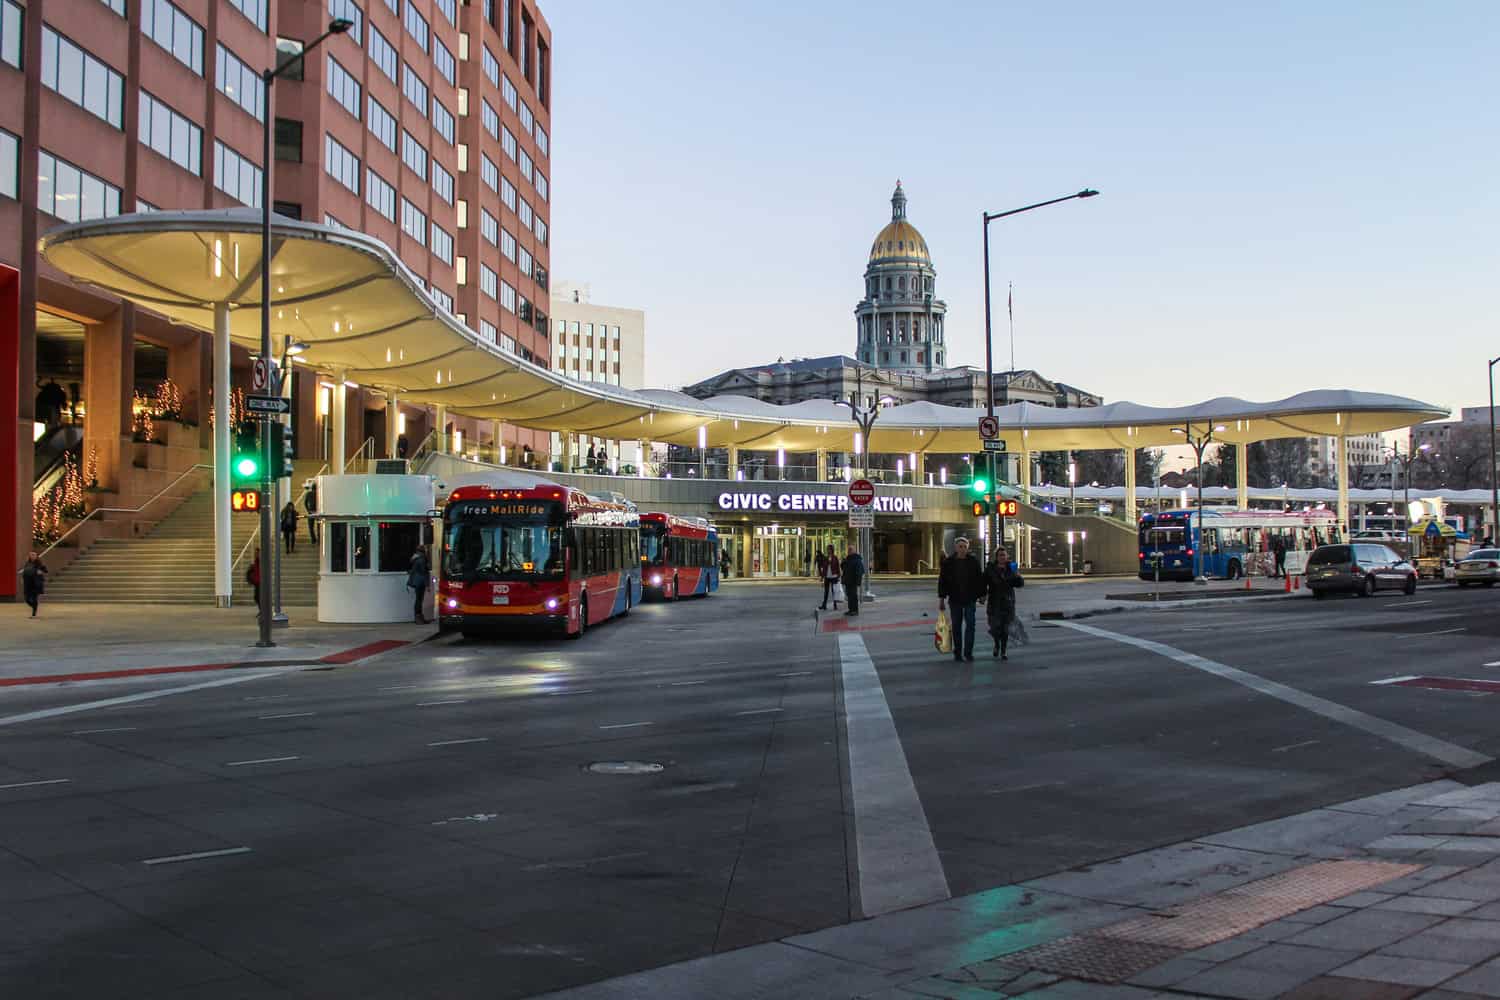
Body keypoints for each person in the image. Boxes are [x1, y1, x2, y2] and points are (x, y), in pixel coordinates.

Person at [938, 537, 986, 663]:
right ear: (955, 548)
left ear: (968, 548)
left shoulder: (973, 561)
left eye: (964, 546)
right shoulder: (948, 562)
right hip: (955, 599)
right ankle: (958, 652)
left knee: (971, 625)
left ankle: (968, 653)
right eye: (960, 546)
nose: (962, 549)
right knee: (956, 626)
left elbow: (979, 579)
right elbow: (942, 582)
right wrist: (941, 600)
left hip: (970, 598)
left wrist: (982, 595)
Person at [984, 547, 1025, 660]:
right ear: (996, 557)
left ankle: (1003, 650)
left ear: (1007, 557)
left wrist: (1017, 574)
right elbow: (984, 583)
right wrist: (982, 595)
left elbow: (1020, 584)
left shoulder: (1011, 569)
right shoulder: (990, 569)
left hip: (1008, 602)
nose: (1002, 557)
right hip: (994, 602)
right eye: (1000, 555)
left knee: (1005, 628)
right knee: (995, 627)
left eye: (1004, 555)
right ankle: (996, 644)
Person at [407, 546, 431, 624]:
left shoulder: (415, 558)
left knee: (418, 600)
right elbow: (424, 572)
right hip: (420, 582)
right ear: (423, 551)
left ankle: (419, 617)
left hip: (416, 581)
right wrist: (427, 585)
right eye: (425, 550)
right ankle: (418, 618)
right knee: (419, 600)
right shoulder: (421, 559)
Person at [21, 551, 47, 618]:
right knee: (27, 599)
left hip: (35, 583)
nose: (32, 556)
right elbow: (25, 571)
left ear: (36, 556)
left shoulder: (39, 564)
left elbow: (46, 570)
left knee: (34, 598)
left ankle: (34, 614)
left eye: (33, 555)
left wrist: (41, 571)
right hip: (28, 583)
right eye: (31, 555)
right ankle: (34, 607)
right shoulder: (27, 563)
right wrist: (22, 578)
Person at [842, 545, 866, 616]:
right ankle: (850, 609)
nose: (849, 551)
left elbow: (860, 572)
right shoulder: (848, 559)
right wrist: (843, 563)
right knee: (849, 595)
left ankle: (855, 610)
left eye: (851, 549)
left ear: (854, 550)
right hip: (848, 581)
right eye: (848, 550)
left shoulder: (857, 560)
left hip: (853, 581)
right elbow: (844, 568)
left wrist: (858, 582)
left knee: (853, 596)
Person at [818, 545, 841, 610]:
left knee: (834, 592)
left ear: (832, 550)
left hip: (834, 577)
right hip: (827, 577)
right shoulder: (825, 557)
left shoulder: (835, 557)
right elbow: (824, 568)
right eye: (827, 549)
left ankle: (835, 605)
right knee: (826, 592)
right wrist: (822, 576)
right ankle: (824, 605)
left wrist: (839, 576)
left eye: (829, 549)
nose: (828, 550)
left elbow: (838, 567)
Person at [246, 552, 262, 619]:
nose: (256, 554)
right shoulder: (256, 561)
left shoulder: (260, 561)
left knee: (258, 597)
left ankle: (263, 611)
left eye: (257, 553)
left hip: (261, 582)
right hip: (257, 582)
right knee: (257, 597)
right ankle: (262, 610)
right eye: (255, 553)